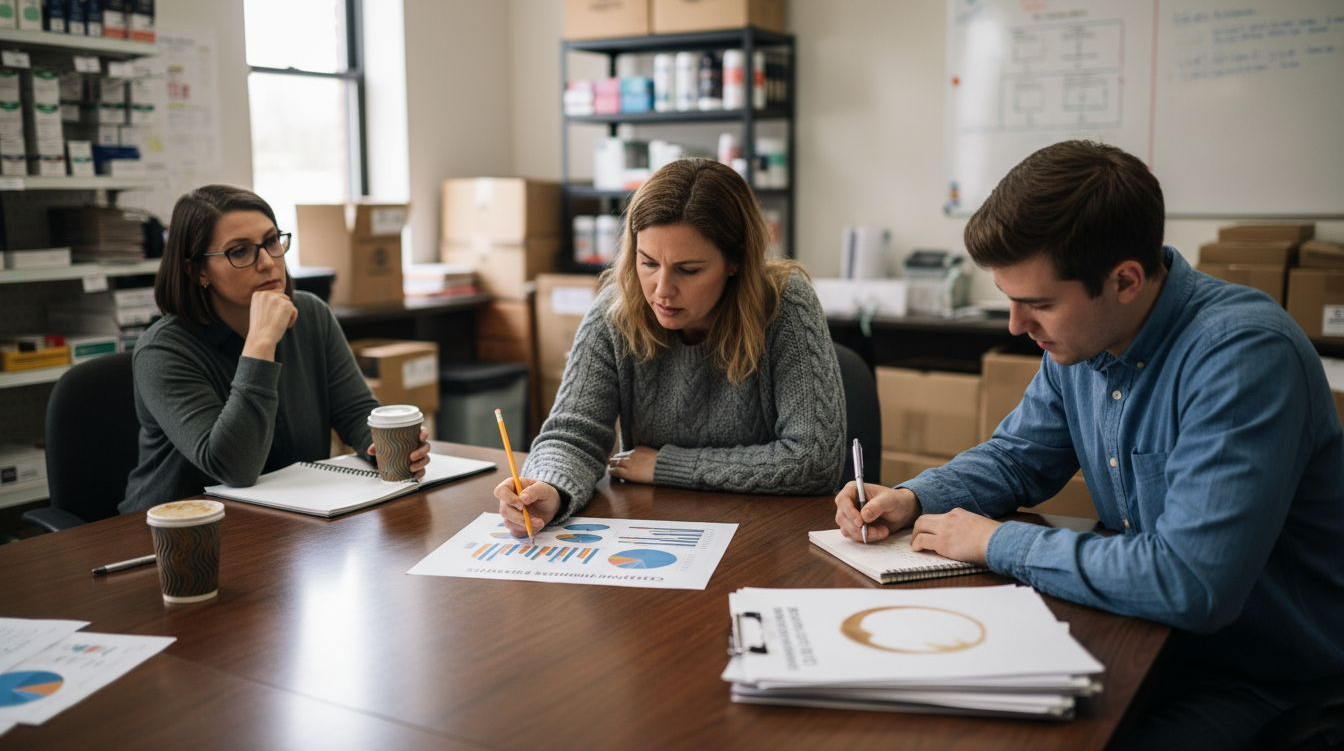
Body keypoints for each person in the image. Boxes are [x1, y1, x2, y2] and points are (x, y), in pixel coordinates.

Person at [833, 140, 1344, 747]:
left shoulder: (1244, 356)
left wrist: (998, 542)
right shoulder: (1084, 340)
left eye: (1039, 303)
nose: (1016, 327)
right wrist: (915, 497)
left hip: (1257, 674)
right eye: (1010, 299)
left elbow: (1190, 583)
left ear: (1125, 279)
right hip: (1139, 636)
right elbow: (1017, 458)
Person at [495, 158, 845, 534]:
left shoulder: (785, 305)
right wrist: (549, 487)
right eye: (647, 263)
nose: (661, 290)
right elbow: (572, 434)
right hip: (656, 533)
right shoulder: (616, 309)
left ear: (736, 261)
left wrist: (667, 465)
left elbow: (814, 459)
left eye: (688, 270)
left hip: (767, 536)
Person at [121, 185, 429, 513]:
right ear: (197, 271)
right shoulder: (162, 351)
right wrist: (260, 343)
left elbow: (354, 412)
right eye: (239, 252)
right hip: (176, 529)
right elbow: (234, 468)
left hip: (290, 517)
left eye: (271, 241)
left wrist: (386, 448)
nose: (267, 262)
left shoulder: (311, 314)